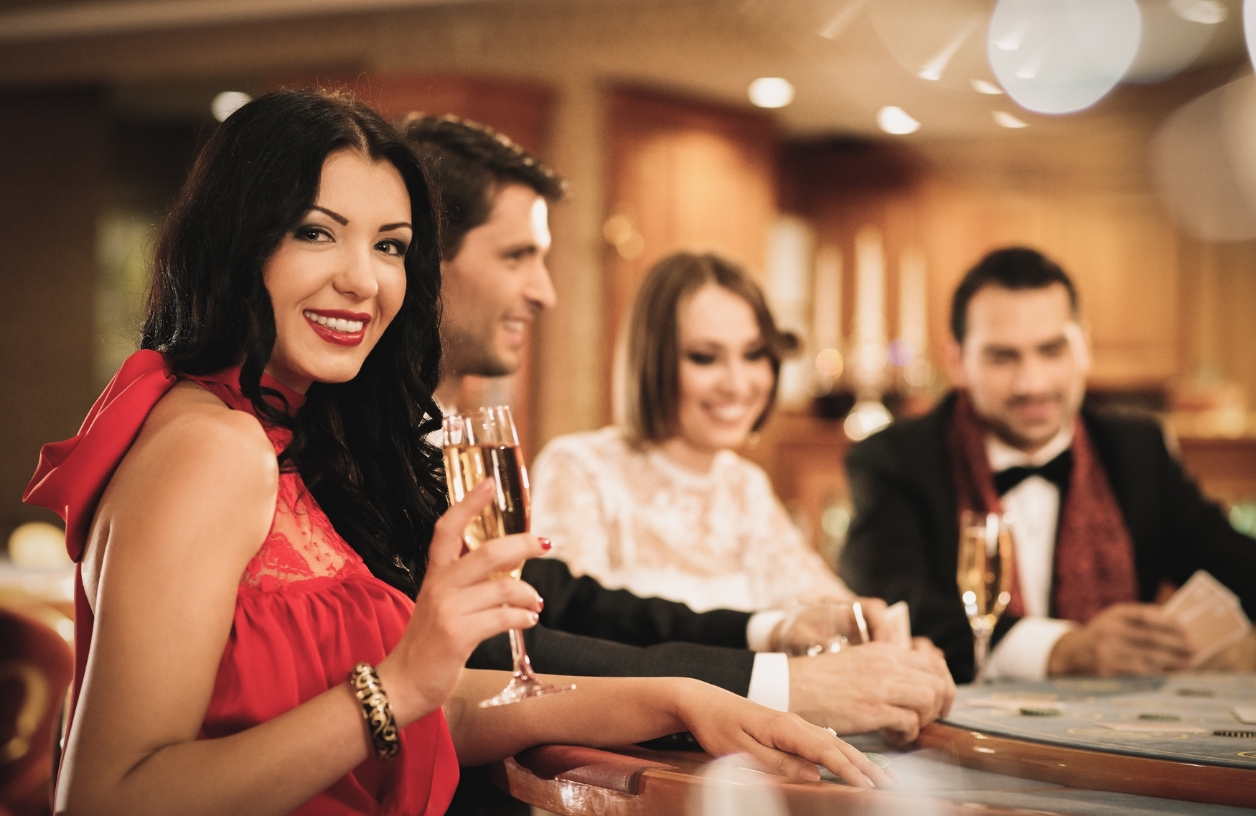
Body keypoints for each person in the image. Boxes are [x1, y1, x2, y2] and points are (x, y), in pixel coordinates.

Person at [22, 89, 890, 816]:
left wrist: (683, 700)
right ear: (240, 239)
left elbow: (435, 705)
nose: (363, 279)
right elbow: (106, 796)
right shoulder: (210, 445)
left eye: (390, 246)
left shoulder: (285, 436)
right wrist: (396, 687)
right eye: (318, 233)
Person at [403, 115, 954, 742]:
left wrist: (794, 635)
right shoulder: (571, 465)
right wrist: (778, 685)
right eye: (517, 256)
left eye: (754, 354)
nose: (547, 292)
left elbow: (566, 603)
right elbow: (523, 646)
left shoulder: (743, 485)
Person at [840, 247, 1256, 684]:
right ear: (957, 361)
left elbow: (1236, 566)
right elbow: (893, 608)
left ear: (1084, 348)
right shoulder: (893, 459)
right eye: (1003, 357)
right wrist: (1062, 649)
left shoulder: (1139, 450)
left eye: (1052, 351)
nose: (1031, 383)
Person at [531, 251, 850, 613]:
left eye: (753, 354)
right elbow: (568, 628)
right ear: (652, 360)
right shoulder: (580, 470)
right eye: (704, 357)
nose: (737, 384)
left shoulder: (746, 487)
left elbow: (826, 606)